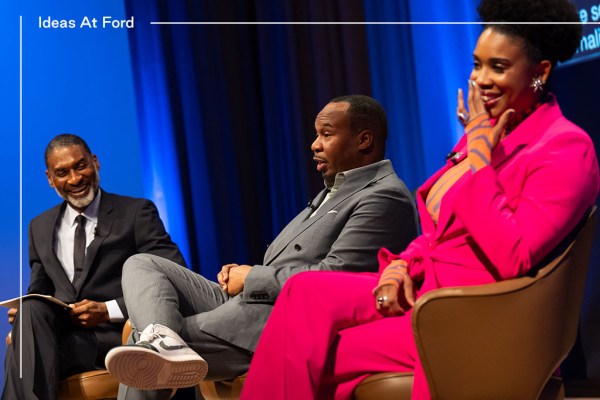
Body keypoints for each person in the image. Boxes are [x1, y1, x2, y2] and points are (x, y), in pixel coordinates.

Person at [240, 1, 600, 399]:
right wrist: (398, 266)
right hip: (425, 287)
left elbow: (514, 255)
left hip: (475, 312)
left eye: (497, 67)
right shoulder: (481, 136)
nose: (480, 79)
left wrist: (481, 161)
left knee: (317, 351)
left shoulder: (565, 147)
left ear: (540, 73)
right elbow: (439, 232)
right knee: (304, 291)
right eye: (477, 64)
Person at [104, 95, 418, 399]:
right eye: (316, 134)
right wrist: (244, 275)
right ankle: (162, 338)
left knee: (138, 348)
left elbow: (333, 277)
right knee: (142, 263)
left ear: (364, 140)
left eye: (326, 134)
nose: (314, 144)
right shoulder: (335, 189)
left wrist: (252, 277)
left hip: (281, 321)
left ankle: (160, 346)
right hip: (252, 302)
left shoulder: (383, 196)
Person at [2, 134, 187, 400]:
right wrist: (23, 323)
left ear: (95, 162)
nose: (75, 179)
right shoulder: (39, 227)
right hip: (60, 333)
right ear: (50, 179)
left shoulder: (136, 213)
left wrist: (107, 310)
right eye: (62, 172)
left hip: (114, 335)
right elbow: (39, 292)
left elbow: (174, 279)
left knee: (22, 354)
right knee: (29, 314)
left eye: (80, 166)